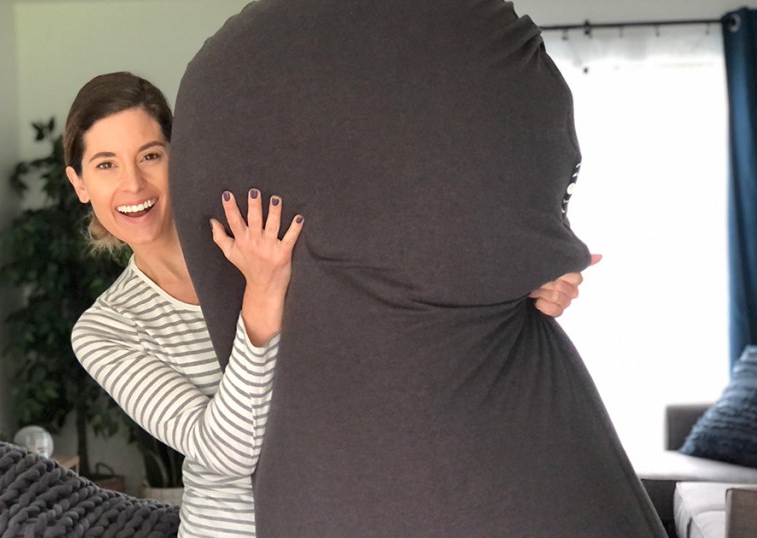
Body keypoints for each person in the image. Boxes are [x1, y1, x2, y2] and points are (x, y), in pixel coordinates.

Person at [65, 72, 593, 538]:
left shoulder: (263, 231)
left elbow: (400, 272)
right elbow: (225, 453)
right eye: (106, 164)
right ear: (79, 183)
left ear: (180, 157)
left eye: (150, 155)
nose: (132, 184)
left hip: (356, 506)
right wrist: (263, 296)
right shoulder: (107, 330)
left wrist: (518, 282)